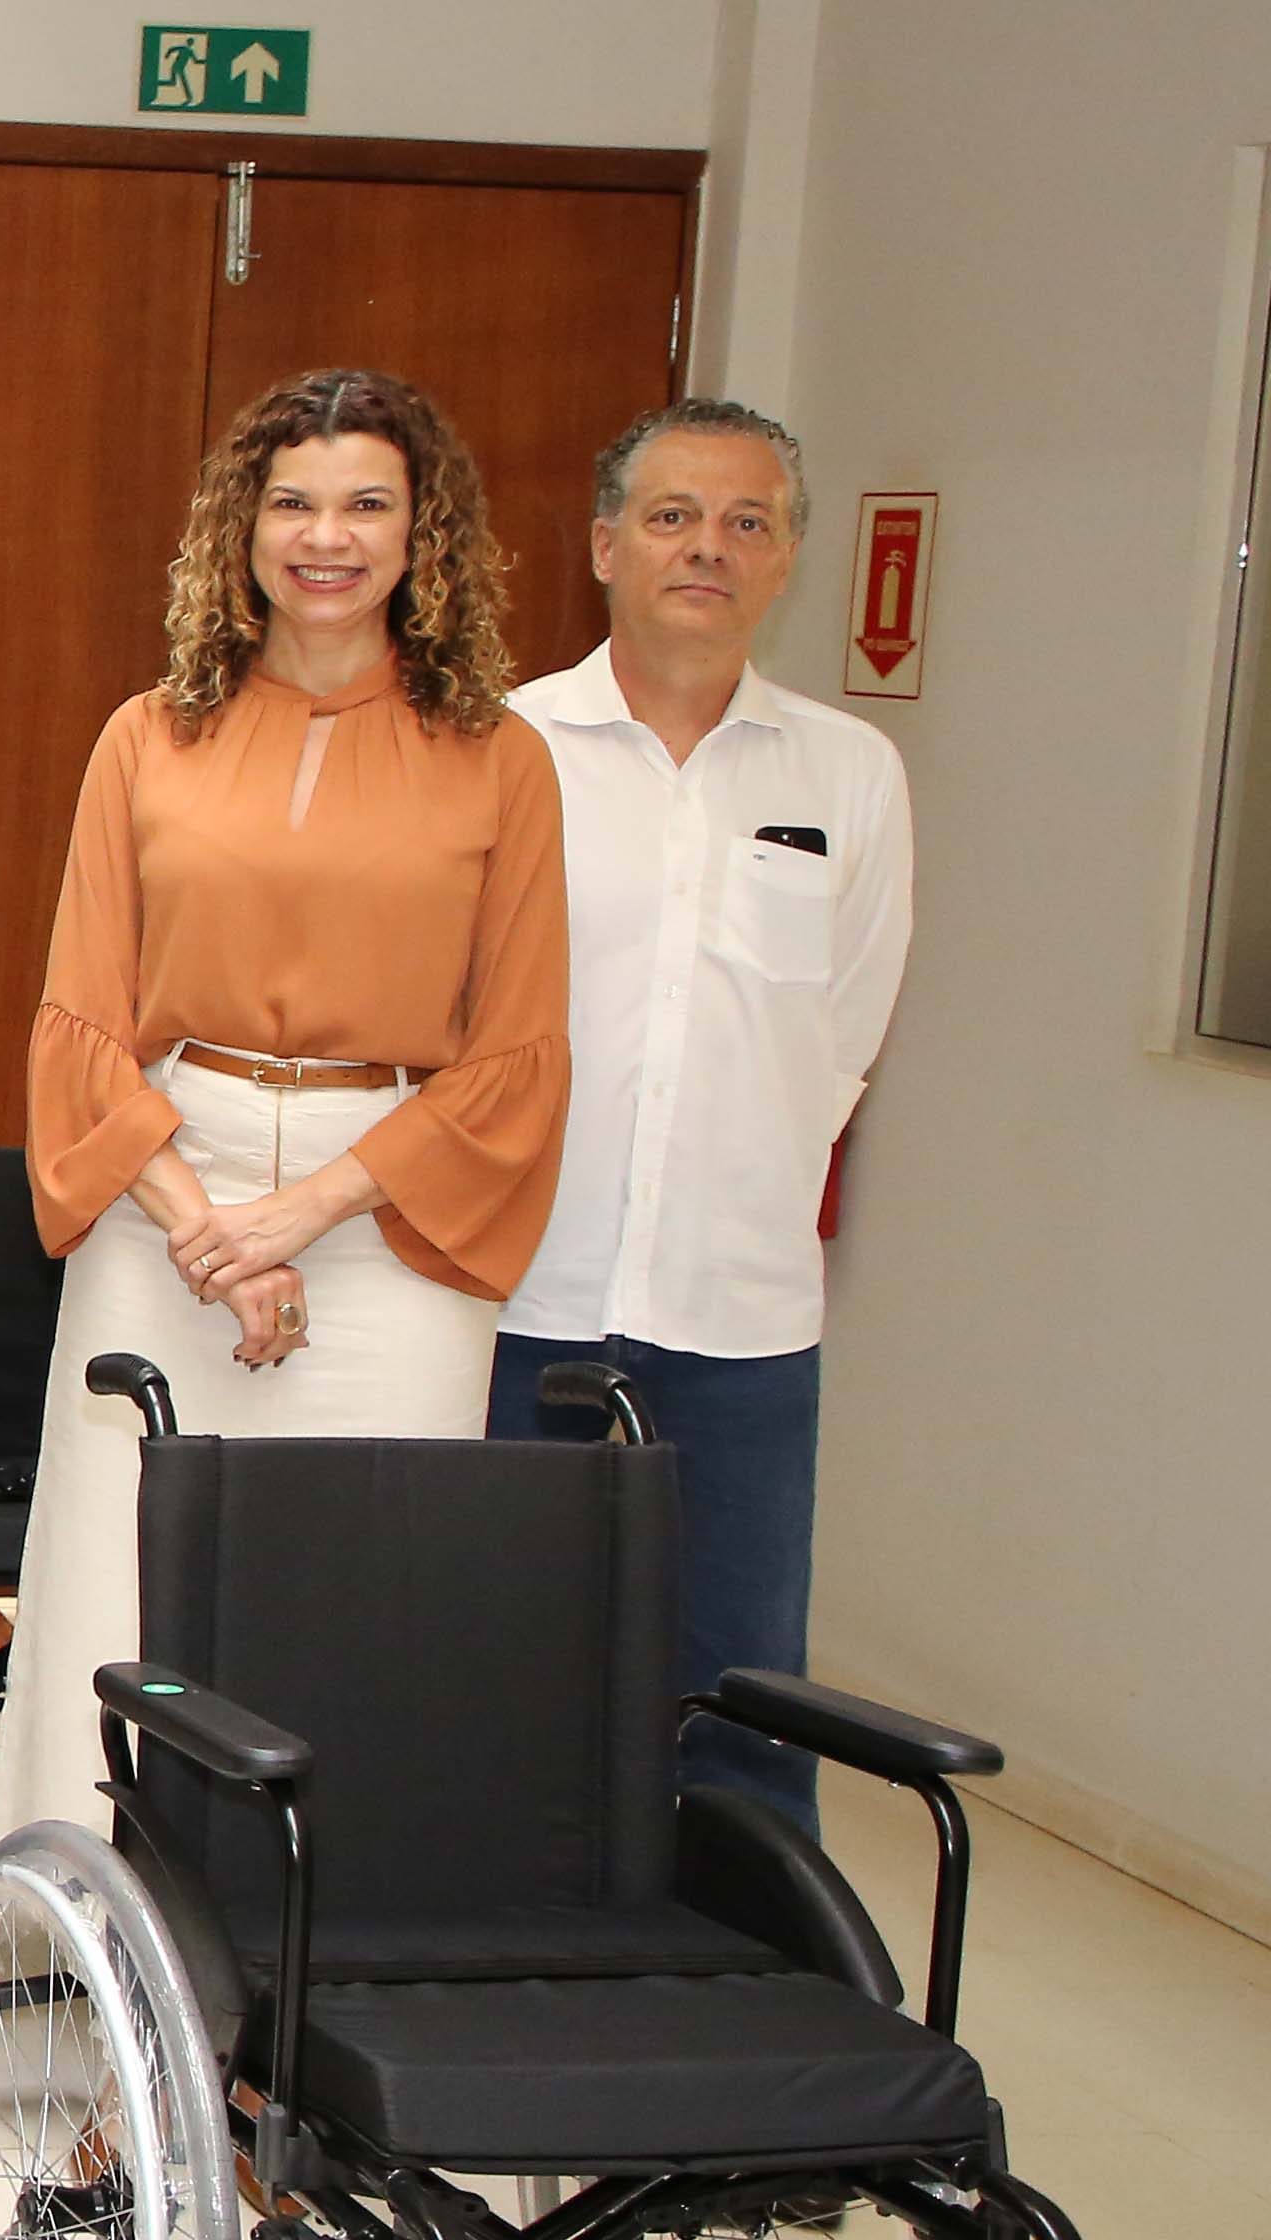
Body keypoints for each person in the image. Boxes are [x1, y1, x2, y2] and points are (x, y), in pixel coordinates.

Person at [0, 368, 574, 1842]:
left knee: (368, 1592)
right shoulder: (145, 736)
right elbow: (77, 1025)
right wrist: (204, 1228)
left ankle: (327, 1960)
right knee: (113, 1574)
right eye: (292, 500)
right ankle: (72, 1940)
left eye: (367, 502)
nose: (328, 535)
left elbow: (514, 1051)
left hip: (390, 1211)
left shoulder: (503, 759)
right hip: (159, 1186)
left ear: (421, 532)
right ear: (238, 530)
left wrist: (300, 1218)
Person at [494, 398, 913, 1829]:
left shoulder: (847, 774)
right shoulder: (505, 745)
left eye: (747, 523)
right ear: (604, 543)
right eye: (671, 517)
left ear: (788, 557)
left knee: (737, 1681)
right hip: (517, 1284)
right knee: (486, 1644)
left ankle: (732, 1969)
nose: (707, 549)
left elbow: (844, 1030)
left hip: (739, 1309)